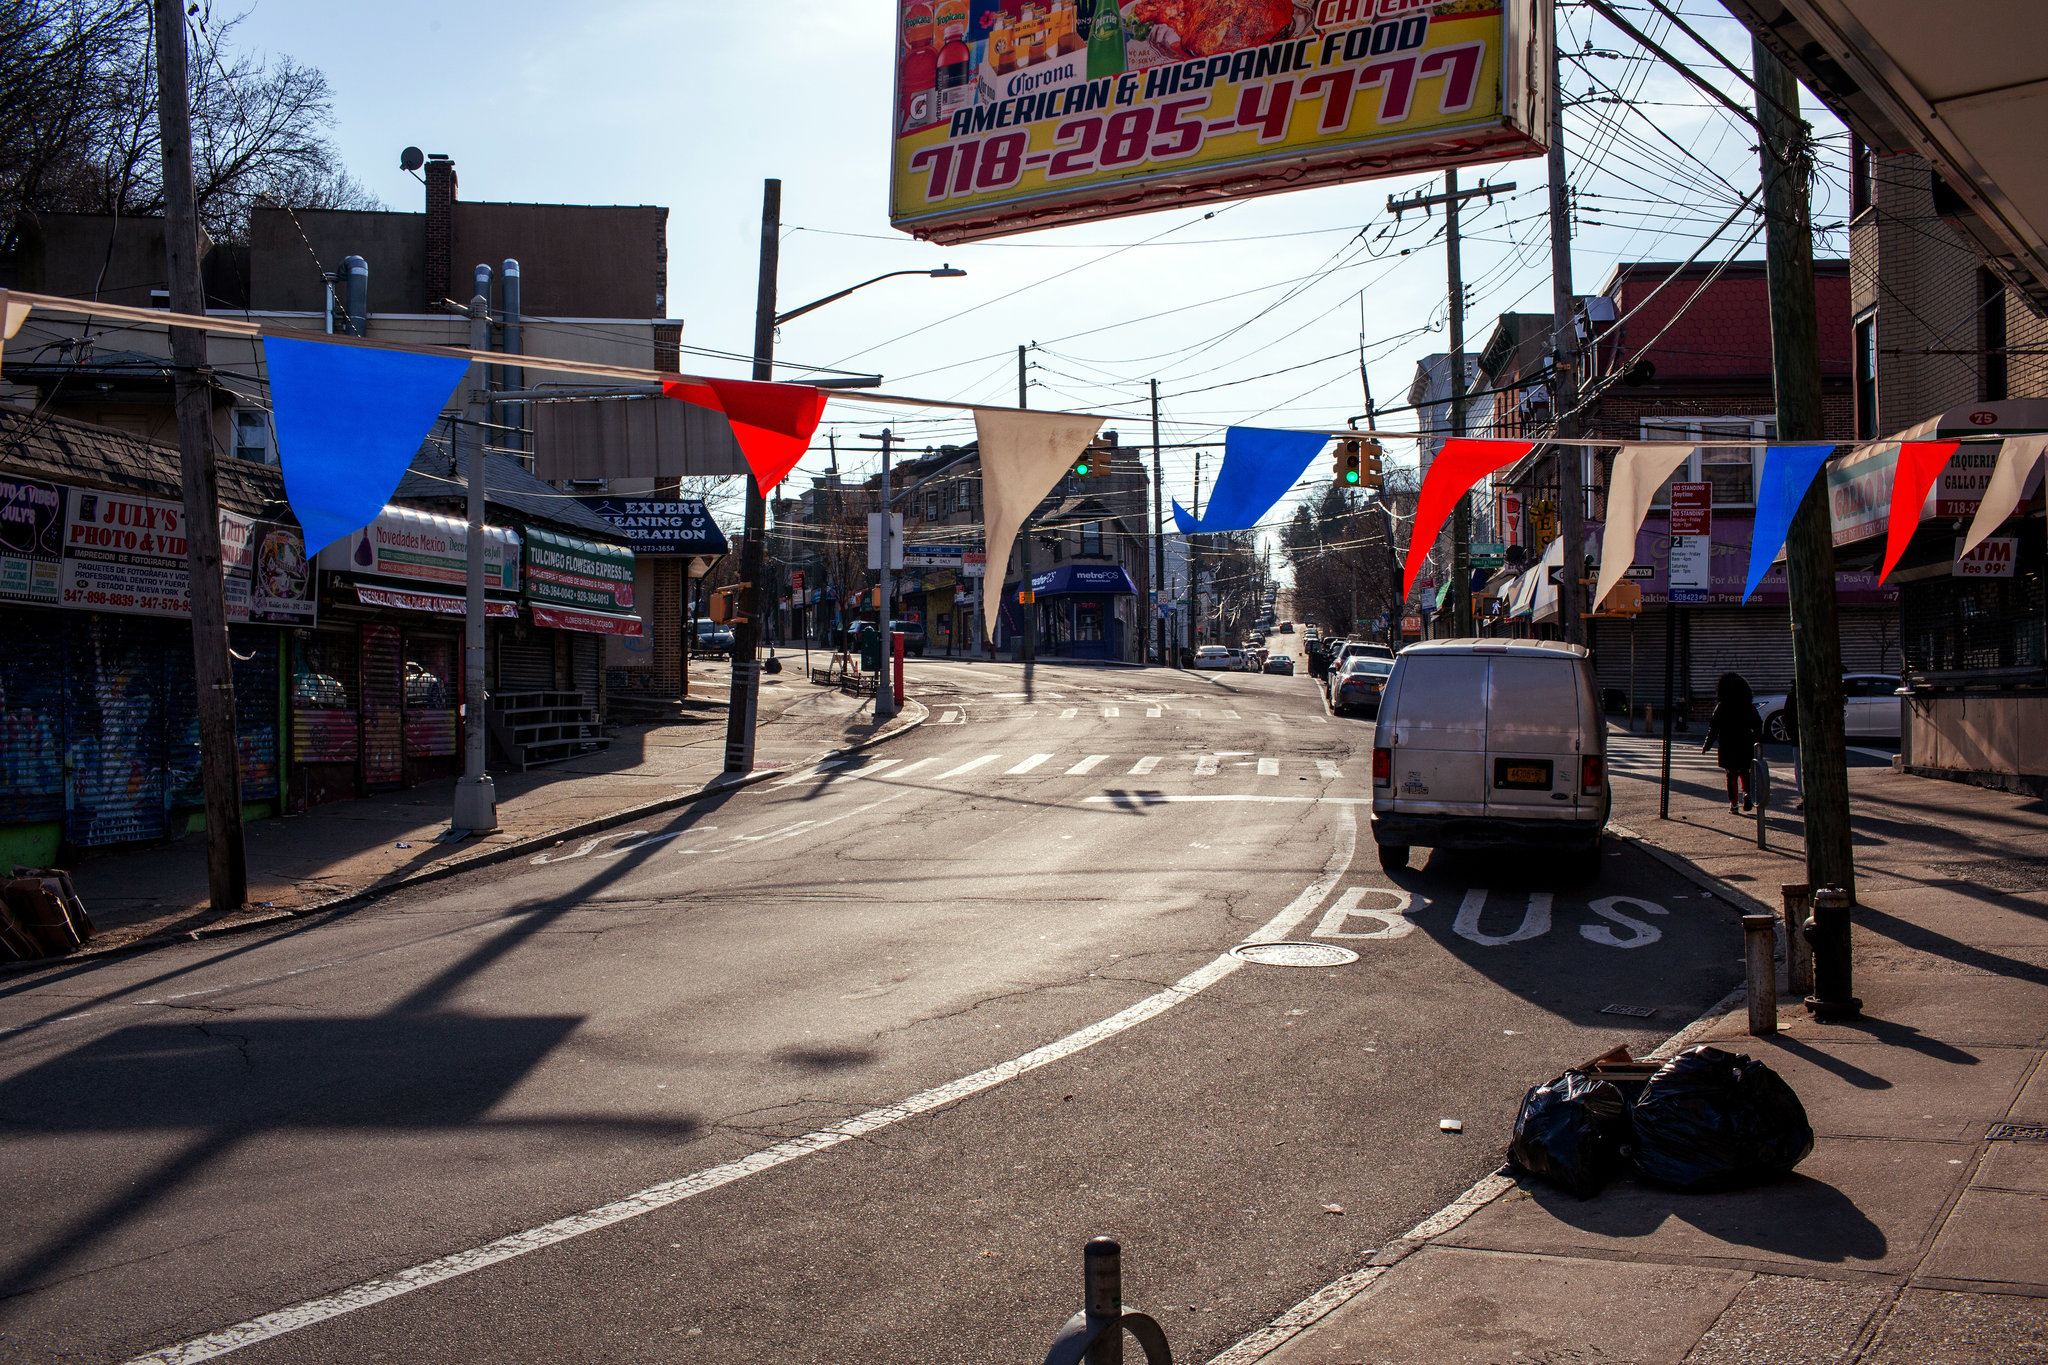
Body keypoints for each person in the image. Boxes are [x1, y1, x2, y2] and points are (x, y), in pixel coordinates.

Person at [1702, 671, 1762, 814]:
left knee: (1731, 774)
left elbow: (1714, 728)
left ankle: (1734, 803)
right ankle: (1746, 793)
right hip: (1745, 742)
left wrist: (1707, 745)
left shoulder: (1722, 706)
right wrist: (1756, 740)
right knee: (1745, 772)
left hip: (1727, 744)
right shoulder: (1748, 706)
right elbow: (1758, 724)